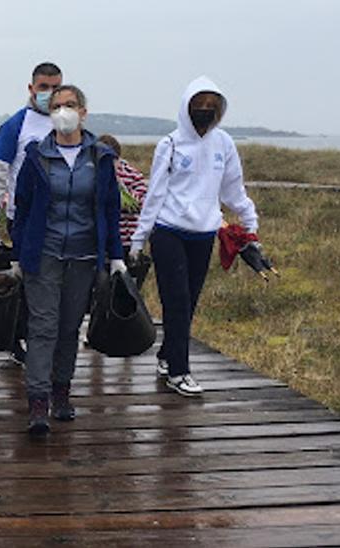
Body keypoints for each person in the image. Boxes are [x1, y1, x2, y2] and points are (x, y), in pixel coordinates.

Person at [129, 76, 260, 397]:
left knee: (190, 302)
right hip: (169, 233)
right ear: (186, 109)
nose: (204, 112)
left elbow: (233, 190)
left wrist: (249, 224)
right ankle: (179, 370)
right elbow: (155, 195)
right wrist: (138, 239)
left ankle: (166, 355)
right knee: (177, 302)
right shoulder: (170, 145)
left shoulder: (224, 144)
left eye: (210, 107)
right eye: (198, 106)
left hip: (203, 235)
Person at [10, 85, 125, 436]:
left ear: (84, 112)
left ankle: (62, 391)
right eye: (57, 106)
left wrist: (116, 256)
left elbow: (110, 208)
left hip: (84, 255)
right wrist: (19, 252)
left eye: (70, 105)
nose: (63, 111)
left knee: (69, 328)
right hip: (43, 254)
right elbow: (22, 206)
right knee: (42, 327)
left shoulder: (100, 157)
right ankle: (38, 401)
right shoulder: (36, 155)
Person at [0, 62, 64, 364]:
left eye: (55, 87)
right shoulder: (16, 124)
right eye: (43, 87)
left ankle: (48, 338)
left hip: (61, 220)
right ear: (31, 89)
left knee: (54, 285)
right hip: (23, 218)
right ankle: (18, 338)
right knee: (27, 281)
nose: (49, 94)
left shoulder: (65, 123)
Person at [97, 134, 150, 286]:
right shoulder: (93, 174)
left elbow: (144, 203)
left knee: (124, 286)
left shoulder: (131, 175)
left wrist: (122, 194)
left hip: (127, 240)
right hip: (100, 240)